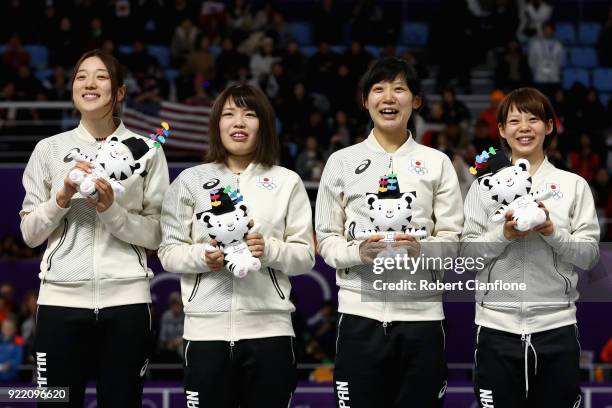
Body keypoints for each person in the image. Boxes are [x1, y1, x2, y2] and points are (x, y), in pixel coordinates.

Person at [20, 49, 169, 407]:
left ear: (119, 92)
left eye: (101, 76)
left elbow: (157, 235)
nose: (89, 83)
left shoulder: (147, 151)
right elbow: (30, 235)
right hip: (60, 300)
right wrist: (62, 198)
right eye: (81, 76)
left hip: (127, 301)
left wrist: (112, 211)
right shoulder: (49, 149)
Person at [315, 57, 464, 407]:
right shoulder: (341, 161)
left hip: (423, 320)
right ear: (365, 100)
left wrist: (422, 250)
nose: (389, 97)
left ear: (416, 101)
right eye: (379, 89)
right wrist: (357, 253)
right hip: (359, 319)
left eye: (400, 89)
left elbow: (453, 240)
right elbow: (326, 236)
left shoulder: (436, 162)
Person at [158, 83, 314, 407]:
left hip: (270, 333)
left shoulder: (287, 182)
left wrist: (268, 249)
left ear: (264, 125)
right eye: (229, 114)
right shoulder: (189, 180)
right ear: (217, 124)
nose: (238, 122)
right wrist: (204, 256)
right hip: (205, 334)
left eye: (249, 114)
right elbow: (168, 252)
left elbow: (305, 257)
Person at [461, 87, 600, 408]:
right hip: (496, 328)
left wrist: (553, 231)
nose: (524, 128)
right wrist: (503, 235)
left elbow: (590, 256)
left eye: (533, 119)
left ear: (549, 126)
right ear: (501, 131)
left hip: (556, 327)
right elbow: (466, 256)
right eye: (514, 121)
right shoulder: (482, 188)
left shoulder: (572, 185)